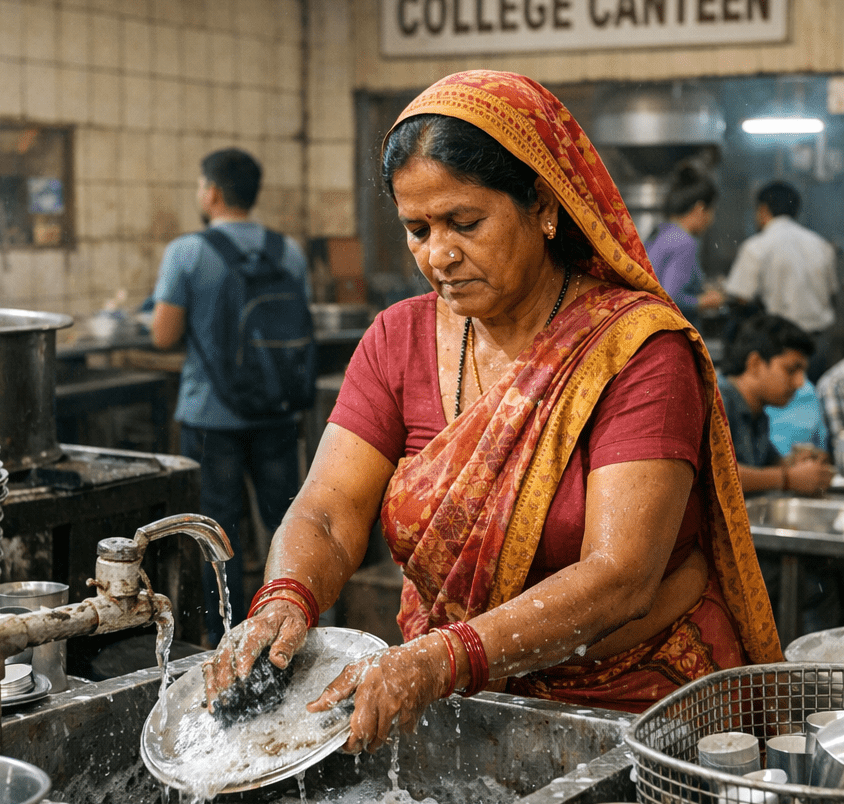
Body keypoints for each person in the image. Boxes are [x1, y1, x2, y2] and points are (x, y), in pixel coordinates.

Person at [204, 70, 781, 754]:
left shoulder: (636, 352)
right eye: (416, 229)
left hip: (636, 709)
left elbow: (620, 574)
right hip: (461, 704)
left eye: (464, 223)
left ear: (542, 205)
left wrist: (441, 660)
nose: (438, 255)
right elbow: (329, 508)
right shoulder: (398, 339)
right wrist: (286, 597)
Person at [151, 148, 310, 647]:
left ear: (212, 192)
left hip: (210, 417)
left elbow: (162, 335)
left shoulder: (187, 252)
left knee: (218, 534)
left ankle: (225, 640)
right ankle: (294, 628)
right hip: (278, 411)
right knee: (289, 522)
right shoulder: (289, 251)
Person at [724, 181, 837, 380]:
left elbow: (740, 297)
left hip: (780, 348)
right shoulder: (821, 245)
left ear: (763, 209)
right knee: (810, 403)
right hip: (818, 345)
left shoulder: (756, 246)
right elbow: (832, 293)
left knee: (780, 406)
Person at [716, 315, 833, 496]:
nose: (800, 382)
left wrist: (796, 463)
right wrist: (788, 478)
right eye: (791, 370)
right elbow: (712, 474)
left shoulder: (758, 412)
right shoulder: (717, 401)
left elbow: (767, 464)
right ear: (755, 363)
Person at [644, 160, 722, 328]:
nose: (711, 220)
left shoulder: (660, 232)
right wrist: (705, 301)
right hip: (672, 334)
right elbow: (672, 297)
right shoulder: (684, 243)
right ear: (700, 208)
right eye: (712, 211)